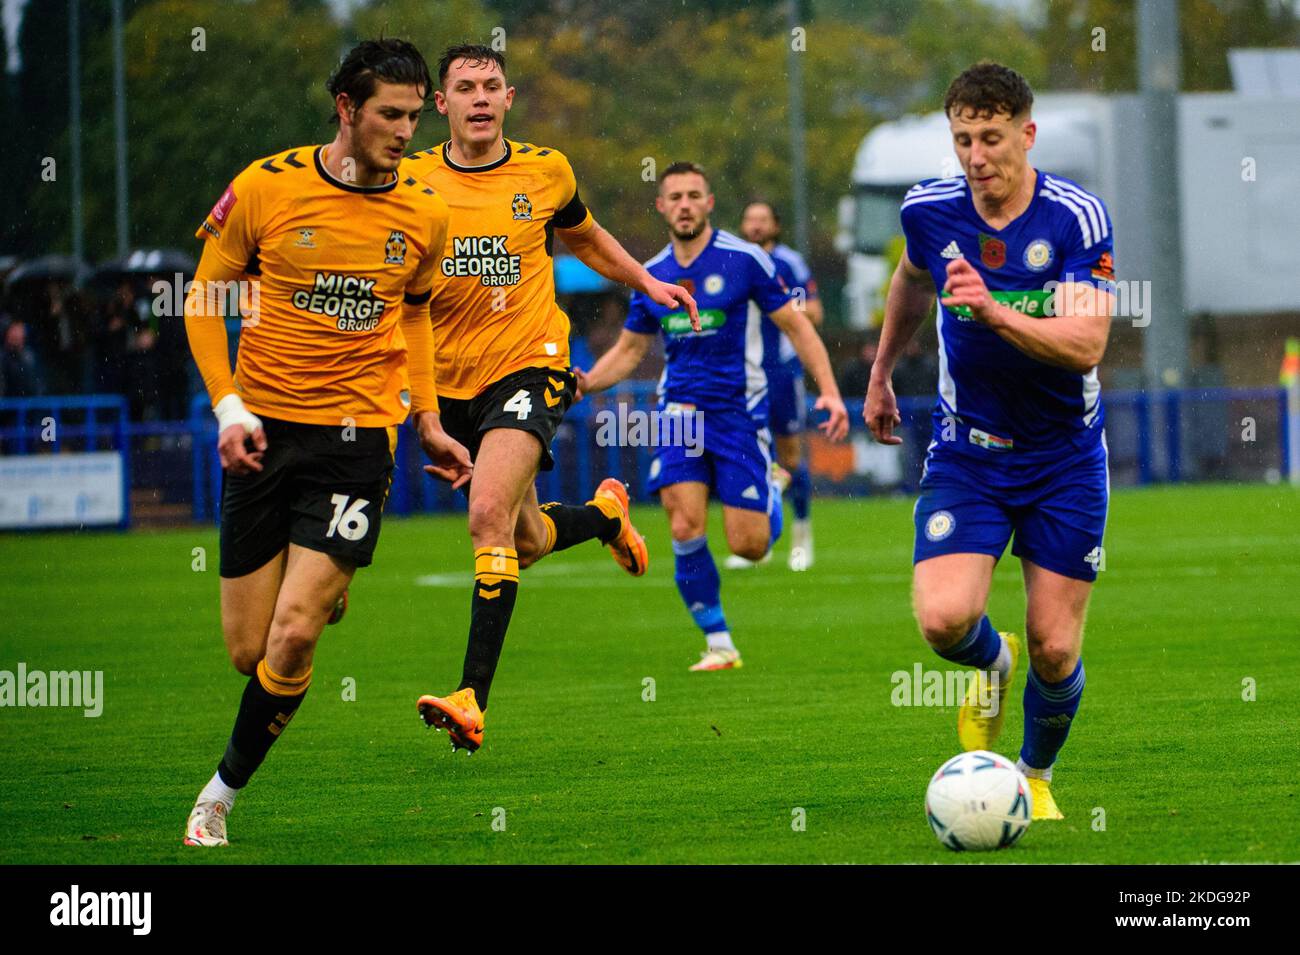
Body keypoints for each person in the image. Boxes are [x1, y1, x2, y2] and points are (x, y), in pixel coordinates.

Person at [179, 39, 470, 846]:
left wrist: (426, 417)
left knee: (296, 630)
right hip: (264, 435)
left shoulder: (424, 209)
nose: (406, 131)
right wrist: (229, 409)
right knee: (250, 651)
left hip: (357, 440)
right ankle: (322, 578)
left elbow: (414, 312)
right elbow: (203, 300)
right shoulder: (265, 187)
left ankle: (218, 795)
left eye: (415, 116)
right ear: (346, 108)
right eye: (389, 114)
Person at [402, 45, 699, 753]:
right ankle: (602, 518)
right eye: (465, 87)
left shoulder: (545, 169)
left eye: (492, 86)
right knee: (523, 539)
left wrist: (648, 285)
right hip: (450, 381)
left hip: (530, 364)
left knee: (485, 515)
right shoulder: (409, 180)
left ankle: (471, 697)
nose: (480, 97)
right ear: (439, 105)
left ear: (509, 98)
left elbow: (586, 236)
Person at [865, 62, 1115, 820]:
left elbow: (1086, 342)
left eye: (993, 138)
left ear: (1027, 134)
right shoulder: (930, 211)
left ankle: (1033, 776)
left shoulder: (1076, 218)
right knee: (943, 621)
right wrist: (881, 372)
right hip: (968, 450)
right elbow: (912, 280)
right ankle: (992, 660)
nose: (978, 156)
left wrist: (999, 312)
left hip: (1064, 455)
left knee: (1057, 646)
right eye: (964, 138)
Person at [579, 162, 848, 671]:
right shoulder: (651, 273)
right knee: (684, 525)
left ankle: (771, 485)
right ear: (661, 206)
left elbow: (798, 328)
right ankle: (719, 642)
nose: (683, 204)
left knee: (748, 546)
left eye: (693, 195)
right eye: (674, 196)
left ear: (709, 203)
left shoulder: (745, 261)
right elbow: (631, 349)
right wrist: (587, 382)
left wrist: (829, 391)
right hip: (679, 412)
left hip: (739, 415)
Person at [725, 200, 825, 571]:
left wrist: (779, 308)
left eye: (762, 219)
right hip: (744, 374)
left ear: (775, 225)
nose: (754, 226)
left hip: (782, 372)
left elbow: (815, 311)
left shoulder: (789, 263)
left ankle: (802, 536)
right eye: (749, 219)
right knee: (751, 456)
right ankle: (758, 543)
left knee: (790, 457)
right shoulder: (733, 261)